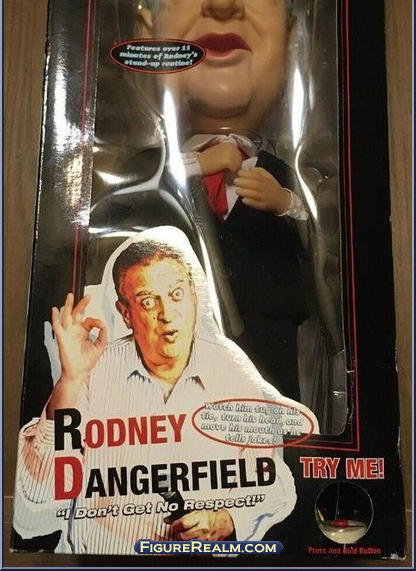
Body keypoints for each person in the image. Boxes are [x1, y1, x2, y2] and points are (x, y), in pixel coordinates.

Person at [14, 227, 318, 555]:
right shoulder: (92, 371)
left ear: (194, 295)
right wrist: (71, 380)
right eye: (148, 301)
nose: (167, 314)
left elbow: (274, 482)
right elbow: (36, 498)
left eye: (176, 294)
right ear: (125, 313)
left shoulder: (232, 370)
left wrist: (226, 520)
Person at [137, 0, 310, 399]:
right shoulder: (146, 173)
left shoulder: (288, 173)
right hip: (172, 337)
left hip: (268, 324)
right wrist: (194, 167)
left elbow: (328, 245)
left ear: (291, 39)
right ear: (149, 38)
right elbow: (131, 219)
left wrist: (285, 203)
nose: (221, 1)